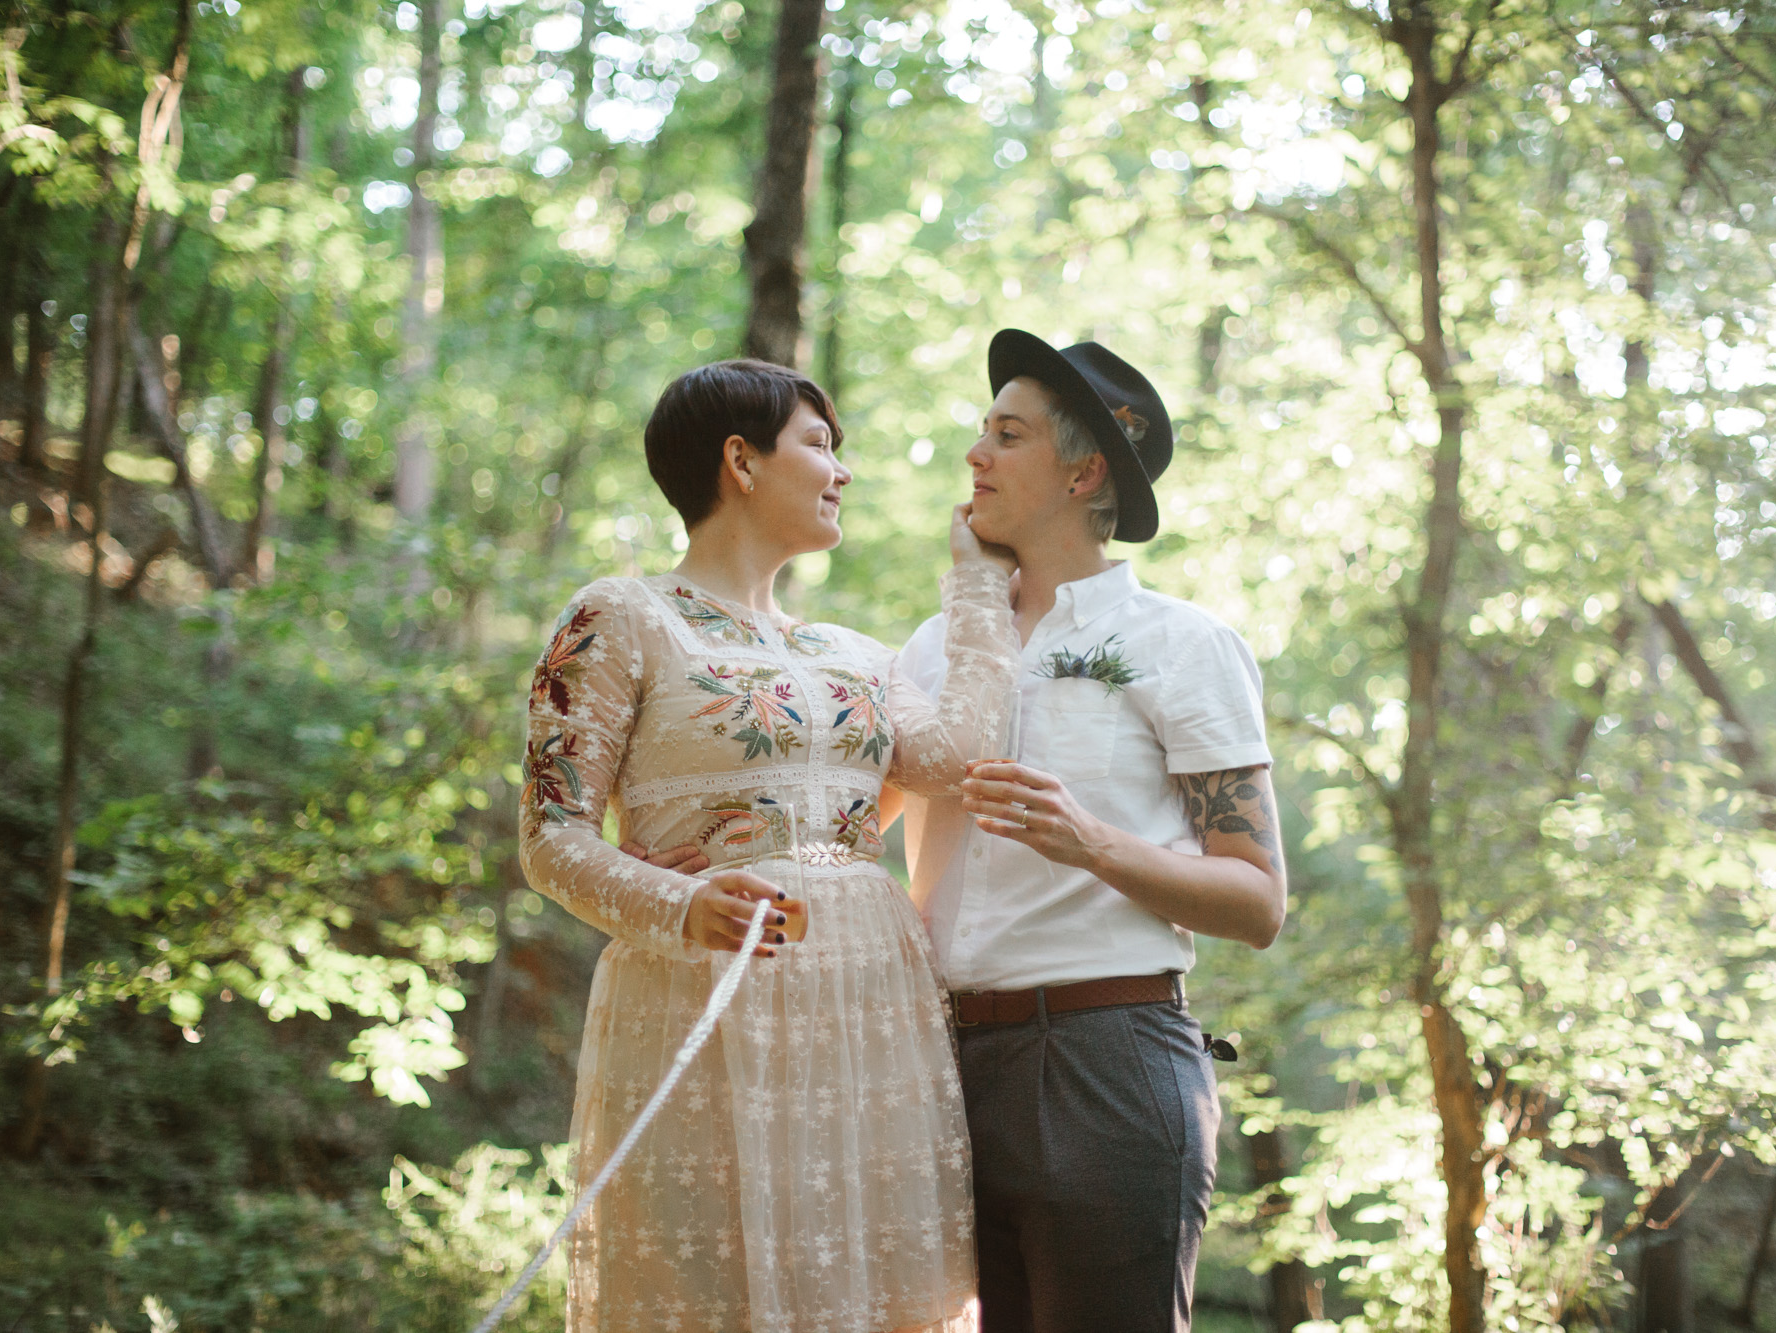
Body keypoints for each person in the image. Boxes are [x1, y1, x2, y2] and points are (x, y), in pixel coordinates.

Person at [518, 358, 1021, 1333]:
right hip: (697, 992)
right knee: (715, 1289)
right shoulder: (619, 616)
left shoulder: (853, 653)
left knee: (879, 1286)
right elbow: (551, 837)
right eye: (819, 445)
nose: (841, 472)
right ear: (739, 460)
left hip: (868, 1003)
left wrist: (976, 589)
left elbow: (959, 756)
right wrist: (680, 907)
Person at [894, 330, 1287, 1333]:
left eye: (1006, 435)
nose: (974, 455)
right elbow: (847, 815)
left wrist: (1091, 842)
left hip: (1106, 1062)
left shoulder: (1182, 646)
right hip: (936, 1068)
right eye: (981, 430)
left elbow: (1255, 901)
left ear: (1082, 472)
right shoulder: (931, 649)